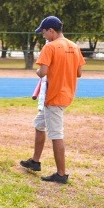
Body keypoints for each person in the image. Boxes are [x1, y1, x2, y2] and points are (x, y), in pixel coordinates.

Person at [20, 16, 85, 184]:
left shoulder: (50, 47)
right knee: (39, 124)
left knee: (56, 135)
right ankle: (35, 161)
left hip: (53, 96)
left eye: (43, 32)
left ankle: (61, 174)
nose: (43, 35)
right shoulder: (74, 47)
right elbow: (79, 73)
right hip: (67, 93)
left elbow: (42, 72)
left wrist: (38, 72)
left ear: (51, 31)